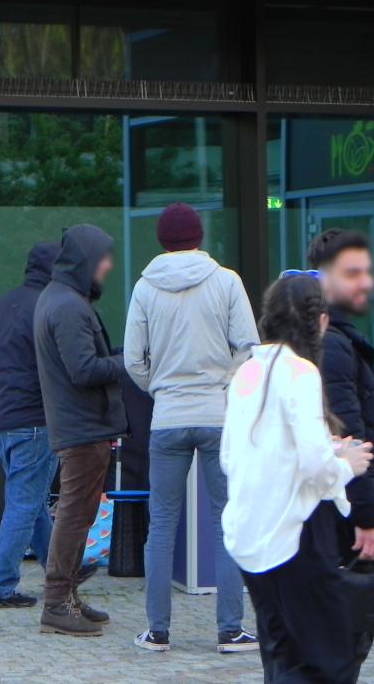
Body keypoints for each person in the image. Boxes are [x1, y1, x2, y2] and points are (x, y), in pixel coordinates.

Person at [222, 274, 372, 683]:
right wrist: (347, 464)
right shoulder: (302, 373)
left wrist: (329, 452)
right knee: (327, 659)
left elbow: (234, 456)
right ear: (320, 321)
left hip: (250, 532)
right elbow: (314, 467)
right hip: (297, 533)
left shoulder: (248, 372)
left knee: (282, 651)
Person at [123, 203, 260, 654]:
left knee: (161, 524)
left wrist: (160, 389)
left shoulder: (145, 288)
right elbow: (248, 347)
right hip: (218, 417)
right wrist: (224, 385)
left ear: (160, 239)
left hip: (167, 419)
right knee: (226, 521)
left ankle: (157, 631)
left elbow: (133, 361)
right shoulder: (226, 281)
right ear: (200, 236)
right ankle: (230, 630)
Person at [34, 224, 128, 636]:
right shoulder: (68, 306)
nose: (107, 265)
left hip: (80, 424)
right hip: (82, 427)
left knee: (79, 512)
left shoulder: (59, 298)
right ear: (86, 260)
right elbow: (84, 369)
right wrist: (130, 361)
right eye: (103, 257)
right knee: (75, 513)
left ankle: (66, 596)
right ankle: (57, 602)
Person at [0, 242, 61, 609]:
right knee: (24, 503)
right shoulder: (49, 307)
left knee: (31, 499)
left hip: (2, 420)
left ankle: (62, 568)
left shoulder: (0, 305)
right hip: (36, 420)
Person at [309, 229, 374, 679]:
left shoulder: (344, 339)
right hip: (347, 510)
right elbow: (349, 432)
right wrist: (367, 517)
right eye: (352, 273)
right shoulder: (332, 344)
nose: (363, 283)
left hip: (346, 504)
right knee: (346, 632)